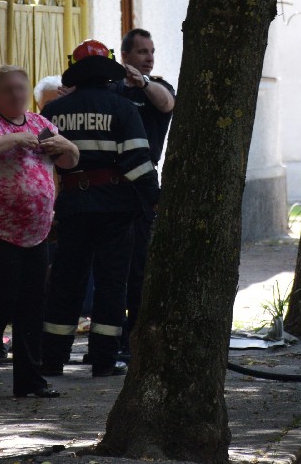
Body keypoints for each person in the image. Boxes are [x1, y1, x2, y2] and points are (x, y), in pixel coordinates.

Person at [0, 65, 79, 399]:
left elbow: (70, 161)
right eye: (8, 89)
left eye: (21, 88)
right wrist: (14, 138)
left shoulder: (40, 124)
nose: (16, 94)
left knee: (33, 303)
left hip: (36, 231)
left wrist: (67, 147)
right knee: (2, 299)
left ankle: (30, 380)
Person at [41, 40, 158, 377]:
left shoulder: (52, 112)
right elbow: (137, 162)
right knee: (111, 283)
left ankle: (52, 358)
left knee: (66, 281)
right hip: (115, 207)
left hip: (72, 206)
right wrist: (154, 198)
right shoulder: (123, 108)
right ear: (108, 70)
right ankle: (103, 359)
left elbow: (39, 166)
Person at [112, 28, 175, 357]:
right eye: (141, 52)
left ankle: (134, 337)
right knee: (111, 267)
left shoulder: (158, 88)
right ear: (125, 57)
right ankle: (111, 339)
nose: (149, 58)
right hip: (109, 185)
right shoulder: (112, 90)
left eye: (151, 52)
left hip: (142, 185)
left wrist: (144, 83)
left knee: (139, 265)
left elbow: (166, 104)